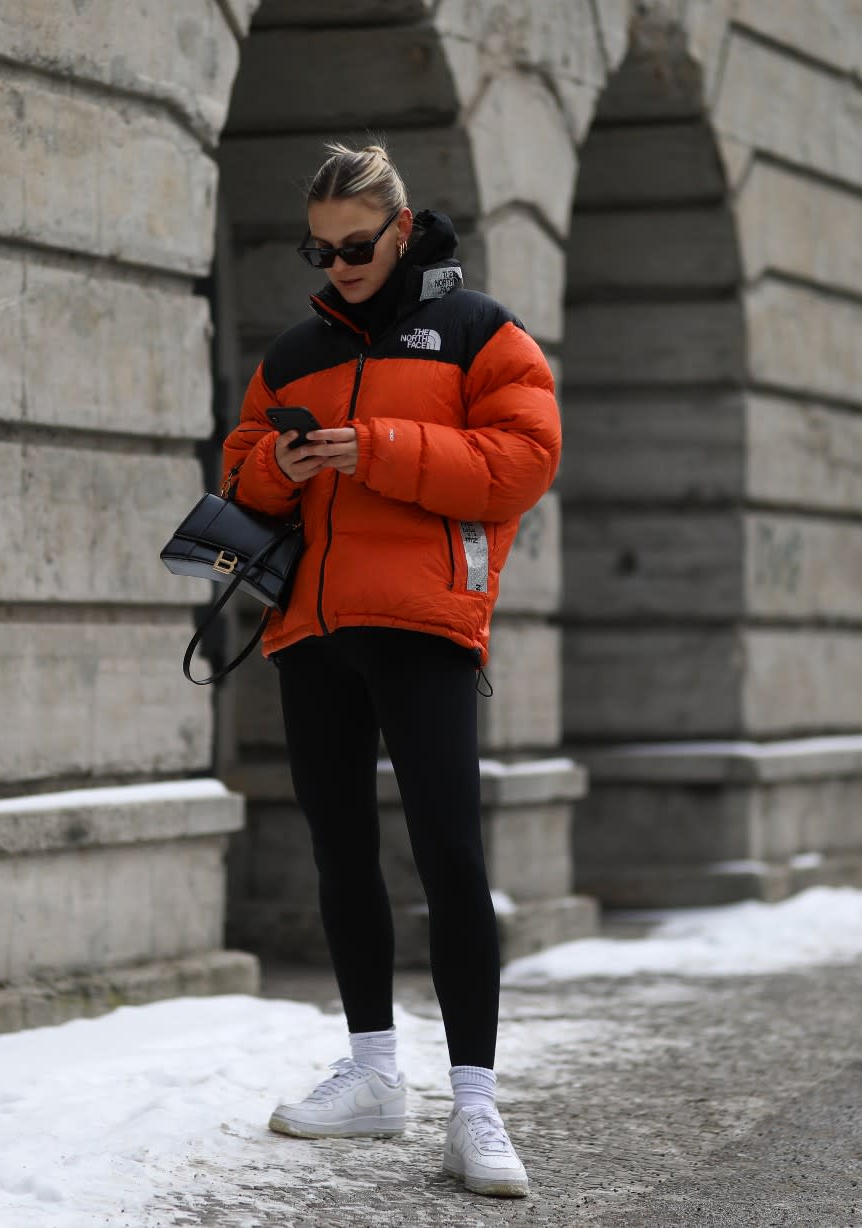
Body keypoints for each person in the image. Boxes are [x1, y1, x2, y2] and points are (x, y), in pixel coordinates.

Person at [220, 138, 561, 1199]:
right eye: (317, 250)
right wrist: (278, 461)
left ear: (402, 230)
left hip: (423, 626)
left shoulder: (480, 331)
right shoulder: (289, 353)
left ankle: (474, 1108)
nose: (337, 265)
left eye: (356, 244)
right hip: (311, 631)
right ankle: (371, 1070)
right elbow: (237, 471)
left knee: (451, 855)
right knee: (339, 852)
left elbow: (519, 464)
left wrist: (376, 448)